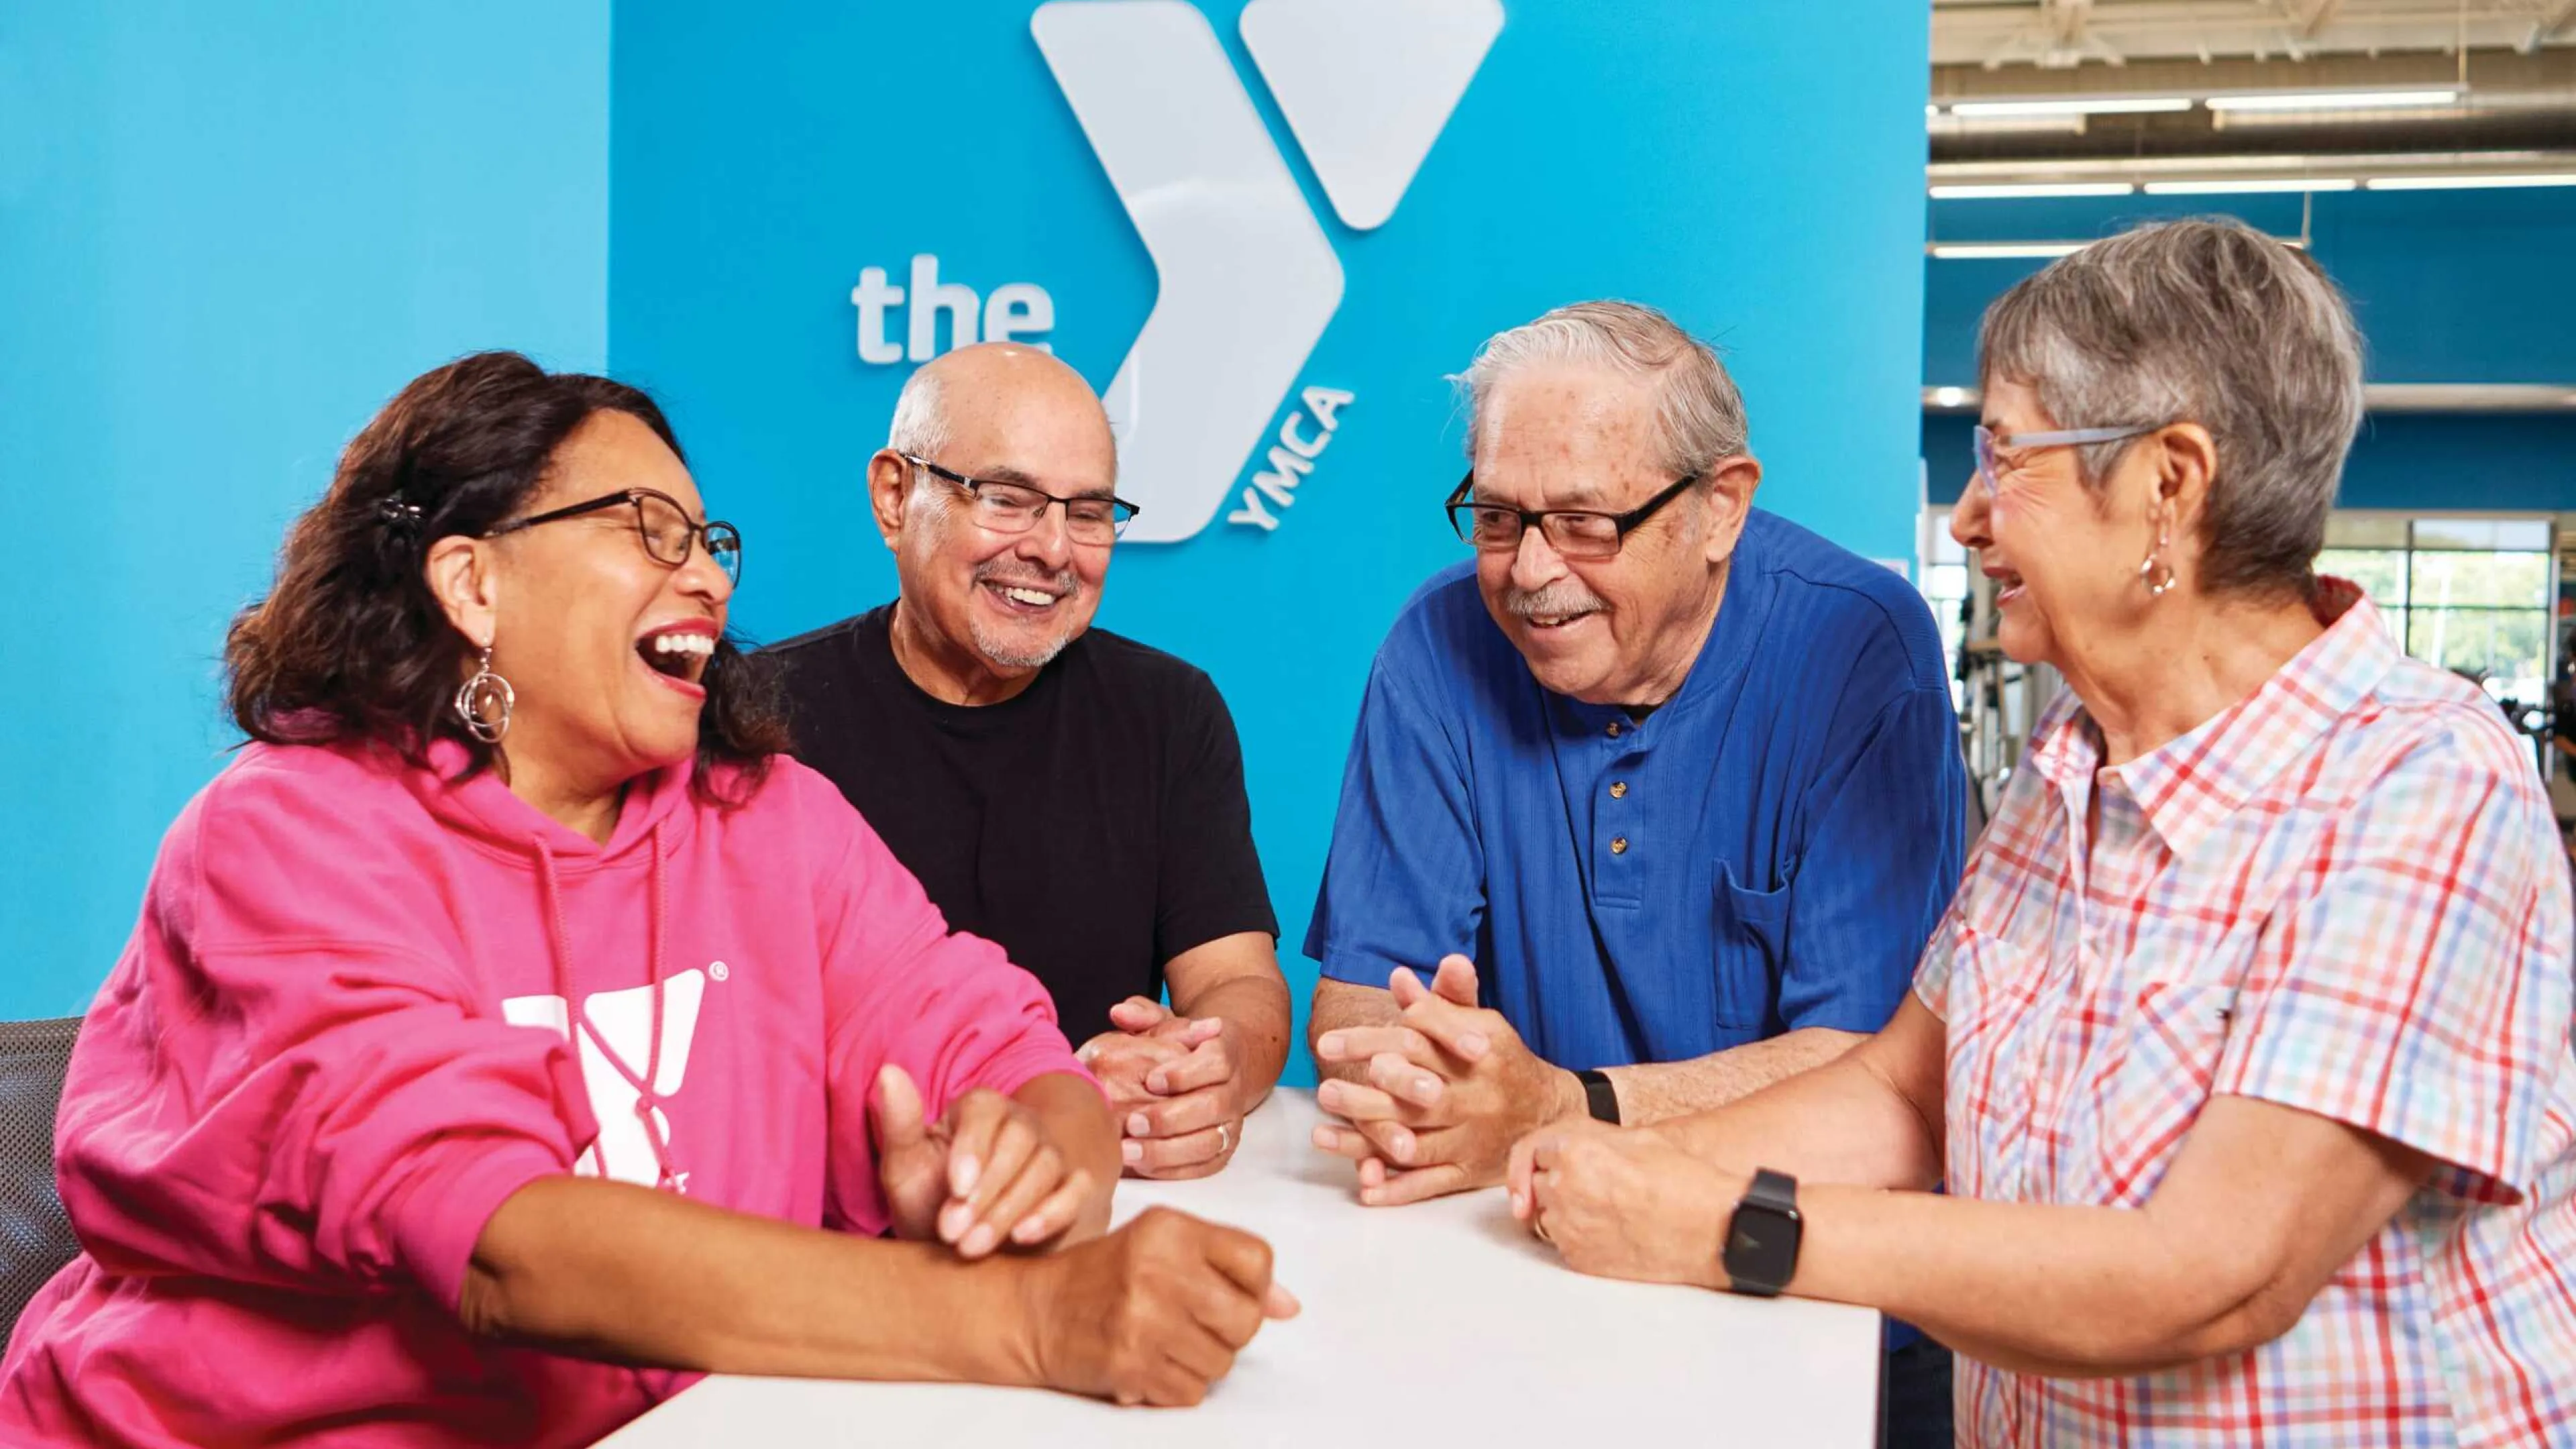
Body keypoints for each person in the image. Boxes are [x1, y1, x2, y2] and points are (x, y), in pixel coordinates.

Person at [0, 353, 1295, 1447]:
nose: (712, 581)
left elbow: (1007, 1049)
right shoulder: (290, 838)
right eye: (650, 533)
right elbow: (502, 1249)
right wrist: (1032, 1320)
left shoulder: (768, 816)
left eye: (710, 541)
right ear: (474, 583)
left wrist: (1025, 1172)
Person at [1508, 219, 2576, 1447]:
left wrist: (1724, 1224)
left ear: (2169, 485)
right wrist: (1594, 1156)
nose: (1969, 515)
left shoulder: (2418, 785)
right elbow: (1905, 1097)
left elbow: (2213, 1275)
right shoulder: (2070, 764)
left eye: (2006, 458)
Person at [1301, 301, 1966, 1440]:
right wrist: (1420, 1082)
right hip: (1529, 1286)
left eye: (1584, 523)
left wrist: (1563, 1109)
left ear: (1721, 507)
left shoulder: (1861, 647)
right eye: (1498, 518)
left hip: (1804, 1301)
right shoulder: (1435, 645)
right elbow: (1361, 1010)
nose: (1530, 571)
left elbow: (1875, 1075)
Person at [771, 342, 1291, 1182]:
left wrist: (1208, 1064)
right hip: (835, 1204)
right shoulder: (757, 722)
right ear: (895, 497)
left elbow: (1238, 981)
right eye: (1007, 500)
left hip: (1093, 1191)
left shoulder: (1168, 712)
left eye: (1088, 513)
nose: (1053, 550)